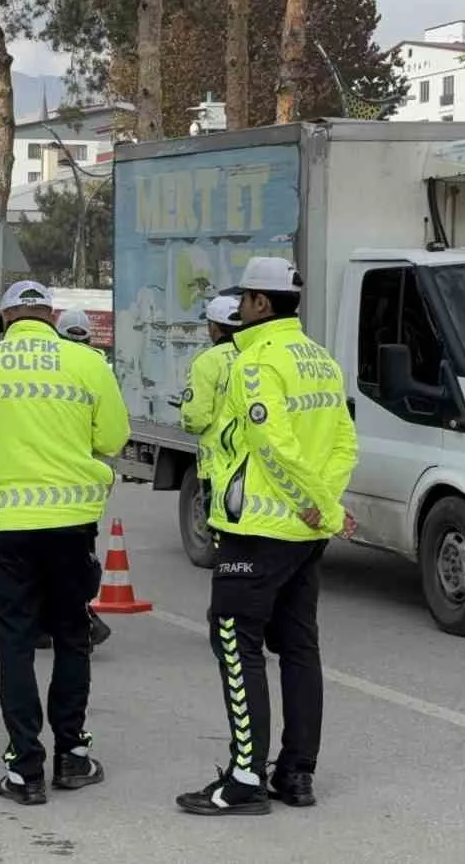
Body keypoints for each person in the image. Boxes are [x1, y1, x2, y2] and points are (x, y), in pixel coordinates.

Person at [176, 256, 357, 817]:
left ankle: (246, 779)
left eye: (246, 298)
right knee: (300, 647)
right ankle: (297, 774)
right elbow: (344, 442)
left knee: (235, 641)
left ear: (257, 303)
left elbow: (273, 446)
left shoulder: (257, 362)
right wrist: (323, 508)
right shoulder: (321, 361)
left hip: (258, 528)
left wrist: (313, 504)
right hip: (305, 532)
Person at [0, 280, 131, 806]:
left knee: (15, 644)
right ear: (49, 316)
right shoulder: (87, 364)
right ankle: (72, 756)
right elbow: (112, 440)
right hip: (72, 526)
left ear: (3, 319)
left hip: (5, 530)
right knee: (72, 637)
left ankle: (25, 771)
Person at [34, 307, 113, 651]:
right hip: (83, 487)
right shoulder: (99, 367)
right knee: (78, 557)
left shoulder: (48, 366)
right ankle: (76, 617)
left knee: (40, 558)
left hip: (43, 476)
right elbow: (110, 433)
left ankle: (46, 623)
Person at [179, 295, 243, 528]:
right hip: (252, 463)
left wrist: (185, 414)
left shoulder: (207, 362)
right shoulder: (254, 354)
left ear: (213, 327)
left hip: (217, 464)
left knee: (220, 528)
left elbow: (196, 419)